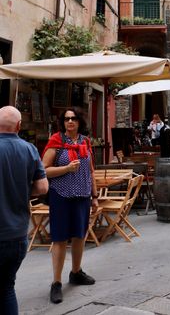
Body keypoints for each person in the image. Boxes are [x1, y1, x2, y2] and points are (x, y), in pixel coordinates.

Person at [42, 107, 98, 304]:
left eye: (73, 118)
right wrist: (66, 168)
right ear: (63, 122)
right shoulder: (57, 141)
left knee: (79, 236)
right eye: (66, 119)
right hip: (61, 196)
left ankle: (76, 272)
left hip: (82, 196)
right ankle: (56, 283)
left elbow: (91, 171)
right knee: (59, 238)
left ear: (80, 121)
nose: (70, 122)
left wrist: (95, 196)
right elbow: (44, 170)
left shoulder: (86, 142)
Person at [0, 106, 48, 315]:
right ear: (19, 126)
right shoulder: (29, 149)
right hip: (16, 234)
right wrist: (19, 190)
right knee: (6, 289)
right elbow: (42, 188)